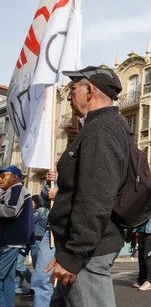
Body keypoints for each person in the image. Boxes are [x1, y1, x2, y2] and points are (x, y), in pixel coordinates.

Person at [47, 66, 129, 307]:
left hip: (86, 254)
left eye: (73, 89)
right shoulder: (100, 127)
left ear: (90, 90)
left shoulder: (101, 129)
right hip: (81, 249)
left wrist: (74, 255)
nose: (70, 96)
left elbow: (95, 197)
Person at [0, 165, 34, 307]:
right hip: (10, 241)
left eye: (4, 176)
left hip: (10, 241)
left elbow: (11, 210)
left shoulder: (17, 189)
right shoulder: (10, 190)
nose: (0, 179)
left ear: (15, 177)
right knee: (8, 279)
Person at [31, 168, 59, 306]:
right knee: (41, 278)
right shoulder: (65, 164)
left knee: (73, 284)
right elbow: (44, 200)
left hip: (78, 230)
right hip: (53, 231)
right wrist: (49, 183)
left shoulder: (94, 158)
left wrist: (60, 196)